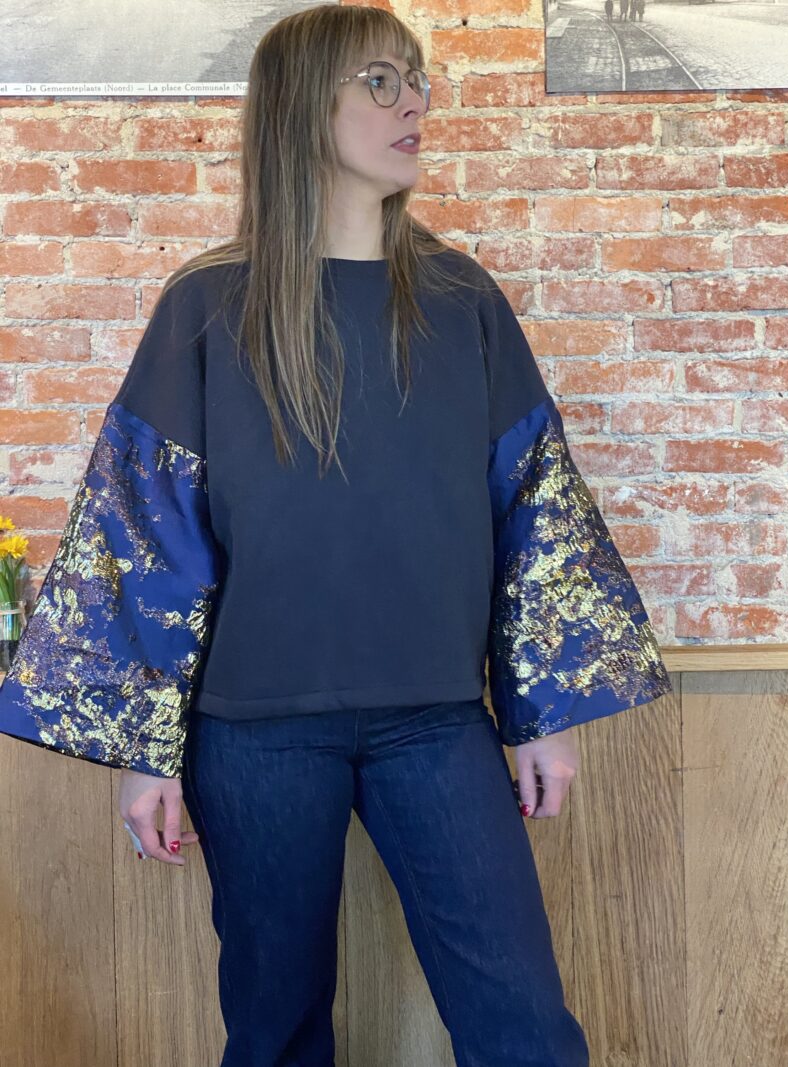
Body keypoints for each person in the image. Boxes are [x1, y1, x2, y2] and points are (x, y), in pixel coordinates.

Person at [0, 5, 672, 1065]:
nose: (415, 103)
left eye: (416, 78)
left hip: (437, 722)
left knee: (526, 1029)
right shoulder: (206, 305)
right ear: (301, 107)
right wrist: (146, 753)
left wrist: (541, 713)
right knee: (274, 1028)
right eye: (379, 81)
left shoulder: (462, 302)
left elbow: (533, 510)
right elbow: (146, 533)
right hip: (252, 734)